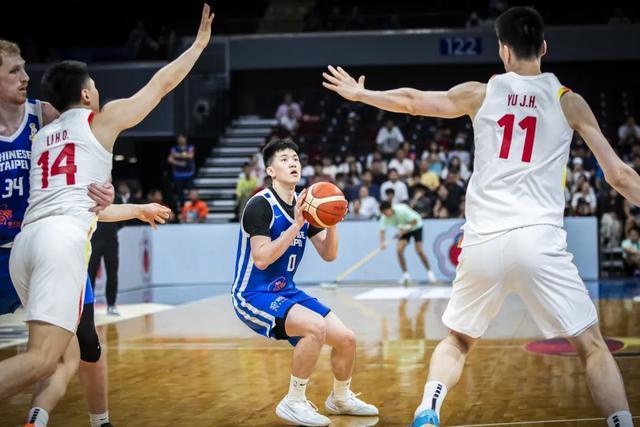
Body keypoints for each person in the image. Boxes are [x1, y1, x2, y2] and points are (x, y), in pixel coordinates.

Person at [323, 6, 638, 427]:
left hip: (482, 242)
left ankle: (428, 409)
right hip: (538, 242)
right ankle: (620, 422)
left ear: (503, 50)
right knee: (592, 347)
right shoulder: (569, 101)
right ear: (544, 48)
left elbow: (413, 102)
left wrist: (363, 95)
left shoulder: (481, 93)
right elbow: (618, 176)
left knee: (457, 340)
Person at [0, 5, 213, 425]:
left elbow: (79, 197)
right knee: (42, 359)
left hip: (25, 244)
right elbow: (162, 84)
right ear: (85, 96)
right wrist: (199, 45)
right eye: (94, 87)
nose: (98, 92)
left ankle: (40, 418)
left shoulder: (41, 135)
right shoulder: (100, 120)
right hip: (59, 244)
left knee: (65, 358)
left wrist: (130, 205)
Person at [0, 38, 119, 427]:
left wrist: (103, 188)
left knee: (83, 342)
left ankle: (97, 420)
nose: (25, 77)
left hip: (47, 240)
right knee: (44, 357)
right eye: (14, 70)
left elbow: (83, 151)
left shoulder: (46, 113)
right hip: (12, 250)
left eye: (24, 67)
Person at [232, 138, 377, 426]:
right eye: (284, 159)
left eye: (296, 158)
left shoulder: (307, 204)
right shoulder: (260, 205)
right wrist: (297, 224)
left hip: (286, 291)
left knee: (346, 340)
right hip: (252, 294)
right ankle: (294, 401)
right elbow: (261, 259)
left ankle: (340, 398)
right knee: (315, 327)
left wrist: (332, 223)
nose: (293, 163)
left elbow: (328, 255)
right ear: (271, 171)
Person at [379, 201, 437, 285]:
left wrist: (405, 229)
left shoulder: (402, 210)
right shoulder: (384, 217)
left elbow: (414, 221)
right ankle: (406, 275)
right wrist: (382, 243)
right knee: (399, 250)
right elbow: (382, 230)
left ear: (390, 208)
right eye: (383, 213)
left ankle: (430, 272)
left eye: (385, 212)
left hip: (416, 226)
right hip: (403, 230)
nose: (385, 215)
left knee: (419, 250)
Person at [88, 192, 123, 316]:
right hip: (94, 240)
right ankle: (88, 306)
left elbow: (122, 219)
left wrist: (112, 229)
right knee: (90, 274)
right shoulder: (92, 195)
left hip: (111, 240)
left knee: (112, 273)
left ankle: (111, 305)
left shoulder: (116, 197)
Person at [167, 133, 195, 206]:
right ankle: (182, 206)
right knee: (180, 192)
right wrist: (180, 163)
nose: (180, 140)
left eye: (182, 138)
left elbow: (190, 156)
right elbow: (170, 159)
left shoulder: (190, 147)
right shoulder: (174, 148)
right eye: (179, 138)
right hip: (178, 174)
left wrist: (178, 155)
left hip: (189, 173)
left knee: (191, 191)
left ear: (185, 139)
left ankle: (192, 205)